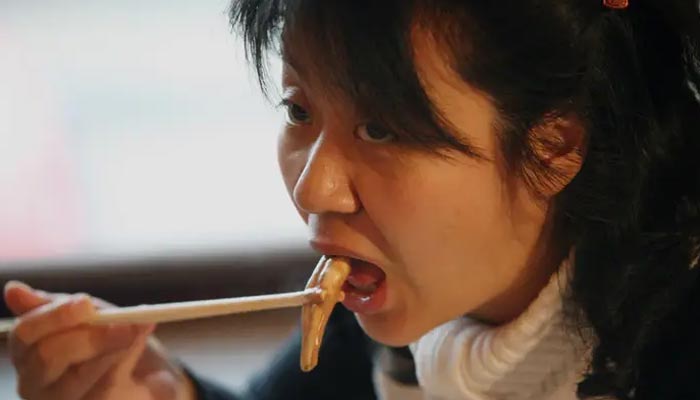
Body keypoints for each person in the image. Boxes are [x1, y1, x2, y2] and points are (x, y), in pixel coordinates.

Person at [5, 0, 700, 399]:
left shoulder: (674, 350)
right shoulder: (375, 310)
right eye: (299, 110)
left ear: (553, 150)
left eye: (380, 128)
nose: (313, 189)